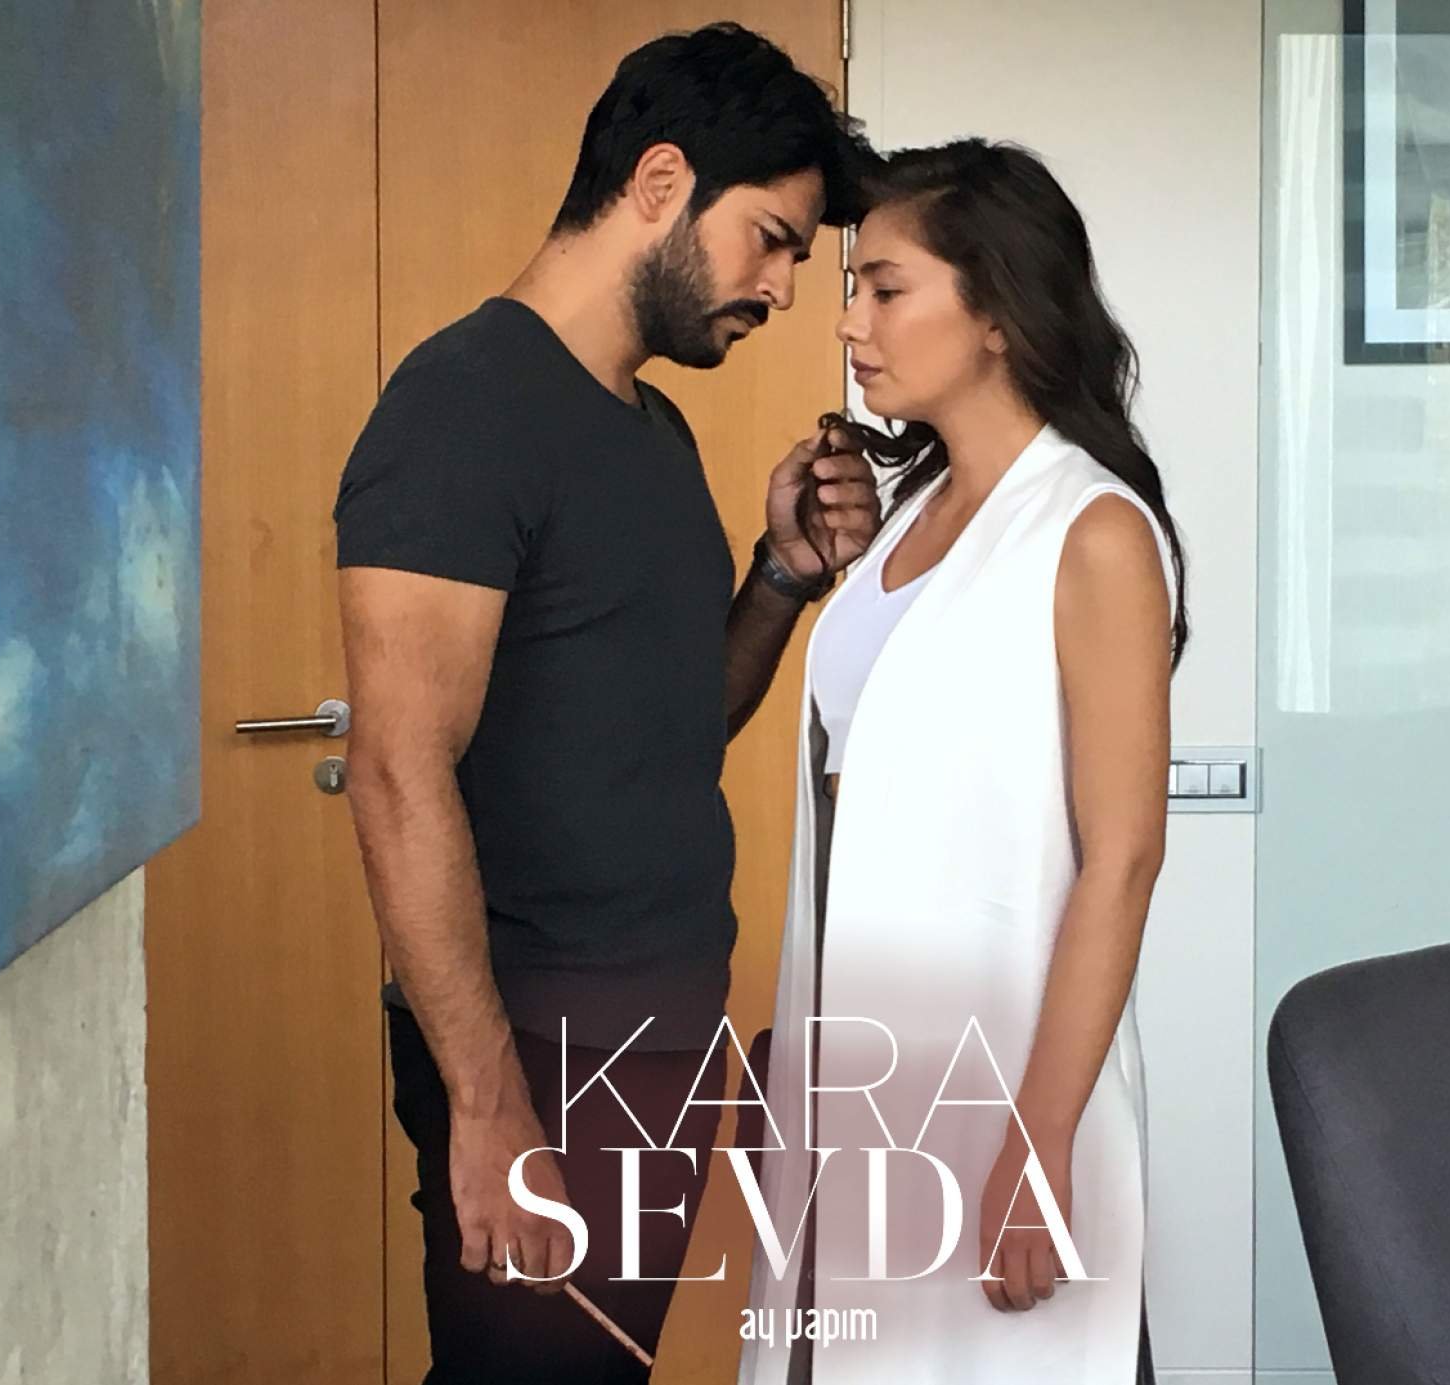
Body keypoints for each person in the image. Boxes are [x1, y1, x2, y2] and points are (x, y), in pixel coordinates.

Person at [332, 24, 882, 1383]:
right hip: (538, 1046)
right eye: (770, 240)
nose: (782, 289)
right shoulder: (463, 407)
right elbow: (400, 771)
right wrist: (487, 1106)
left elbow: (673, 722)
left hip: (655, 1033)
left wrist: (780, 578)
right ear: (659, 183)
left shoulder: (649, 426)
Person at [739, 140, 1187, 1384]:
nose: (849, 320)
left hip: (997, 1094)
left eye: (886, 289)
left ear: (995, 312)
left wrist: (1036, 1148)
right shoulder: (906, 520)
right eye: (853, 287)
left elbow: (1121, 859)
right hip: (862, 1085)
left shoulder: (1091, 531)